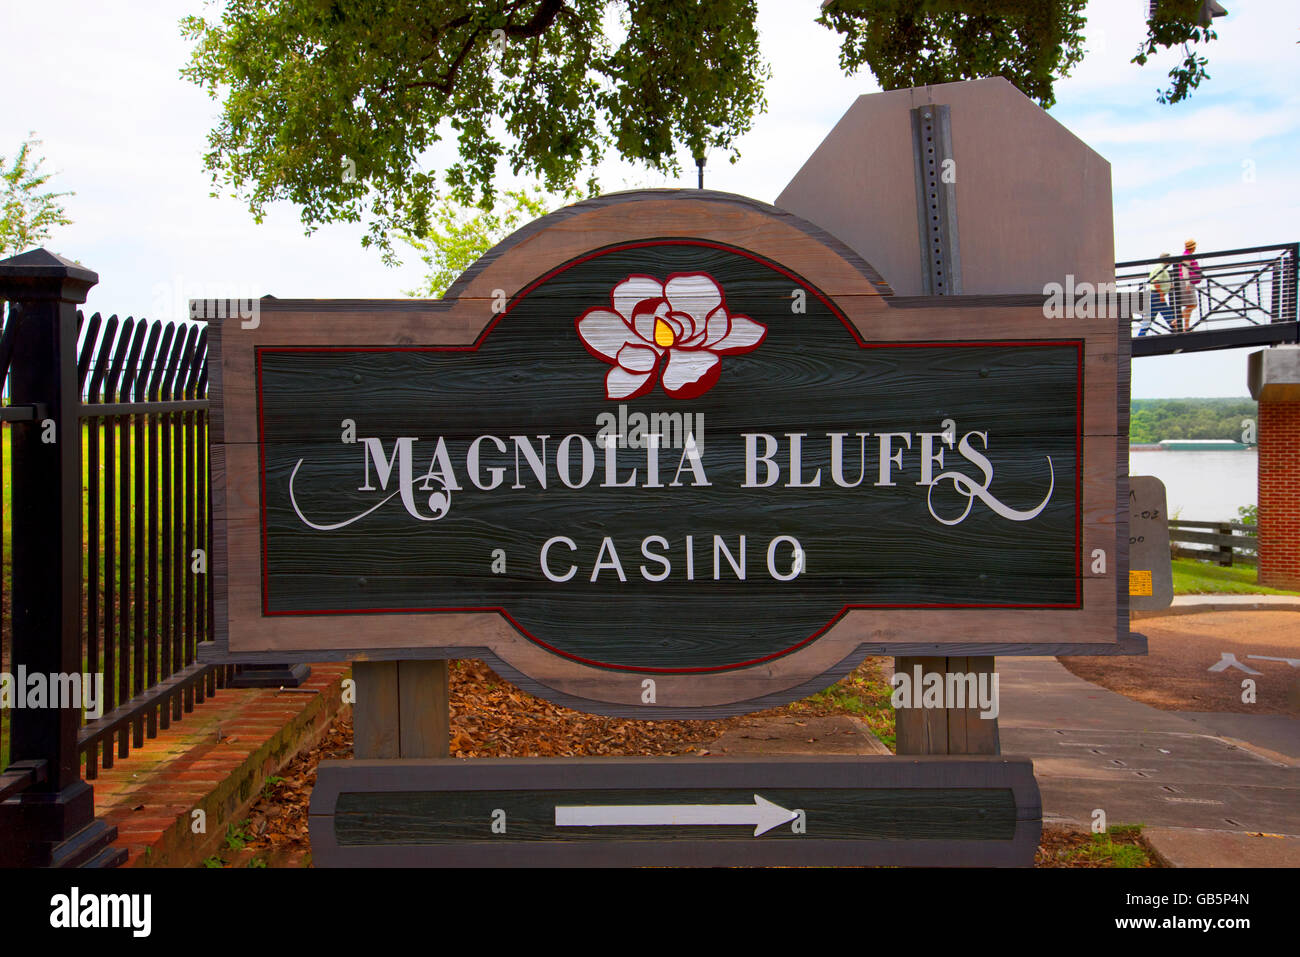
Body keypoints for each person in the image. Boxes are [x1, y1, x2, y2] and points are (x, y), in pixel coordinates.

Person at [1141, 253, 1175, 336]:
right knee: (1166, 312)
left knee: (1151, 317)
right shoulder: (1160, 268)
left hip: (1156, 294)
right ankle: (1175, 327)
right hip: (1157, 294)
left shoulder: (1162, 268)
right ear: (1166, 260)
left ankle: (1141, 334)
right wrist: (1161, 294)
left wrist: (1169, 285)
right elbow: (1156, 282)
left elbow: (1160, 281)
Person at [1175, 237, 1203, 331]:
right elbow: (1185, 271)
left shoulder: (1187, 255)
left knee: (1190, 305)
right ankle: (1176, 321)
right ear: (1193, 247)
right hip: (1185, 282)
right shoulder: (1187, 257)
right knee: (1192, 305)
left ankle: (1186, 327)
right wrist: (1187, 284)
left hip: (1185, 281)